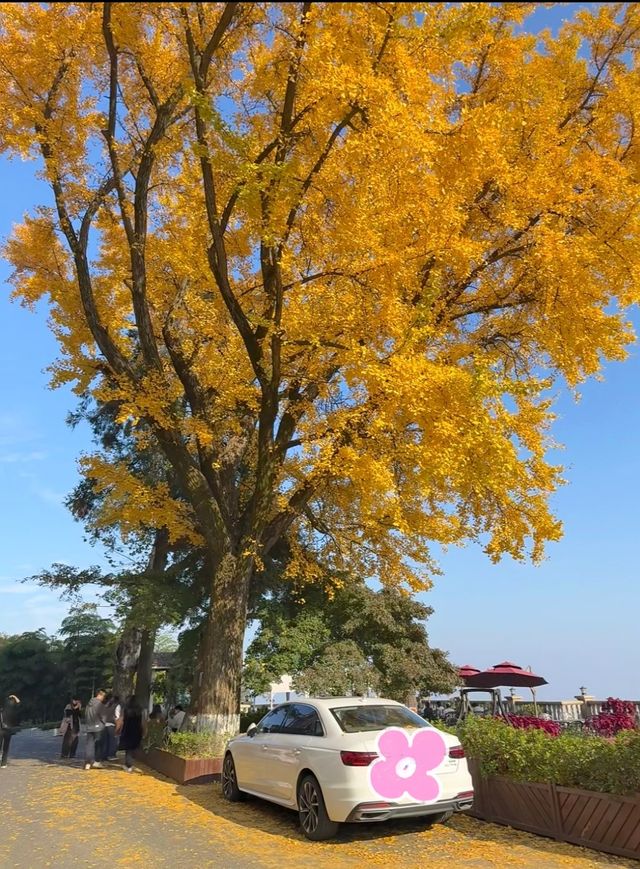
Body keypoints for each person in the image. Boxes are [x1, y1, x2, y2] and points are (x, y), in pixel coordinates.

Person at [119, 695, 147, 772]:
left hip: (127, 729)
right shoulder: (141, 711)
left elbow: (121, 720)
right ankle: (129, 763)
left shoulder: (125, 710)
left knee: (128, 748)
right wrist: (144, 731)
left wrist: (119, 729)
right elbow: (143, 722)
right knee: (133, 747)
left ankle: (128, 764)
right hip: (137, 730)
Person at [84, 689, 107, 770]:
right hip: (98, 727)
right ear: (100, 695)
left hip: (89, 726)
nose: (104, 698)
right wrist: (104, 723)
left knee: (89, 745)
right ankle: (97, 761)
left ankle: (88, 762)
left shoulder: (89, 704)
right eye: (103, 696)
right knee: (98, 744)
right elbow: (103, 716)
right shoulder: (99, 704)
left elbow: (86, 714)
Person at [0, 695, 21, 768]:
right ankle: (3, 764)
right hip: (8, 730)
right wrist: (14, 696)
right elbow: (19, 703)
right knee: (6, 747)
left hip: (0, 730)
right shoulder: (13, 710)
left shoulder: (1, 710)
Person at [101, 694, 122, 760]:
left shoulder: (105, 705)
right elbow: (117, 717)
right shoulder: (117, 706)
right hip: (111, 725)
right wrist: (118, 727)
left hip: (104, 724)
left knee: (105, 741)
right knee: (112, 741)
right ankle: (111, 755)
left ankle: (103, 755)